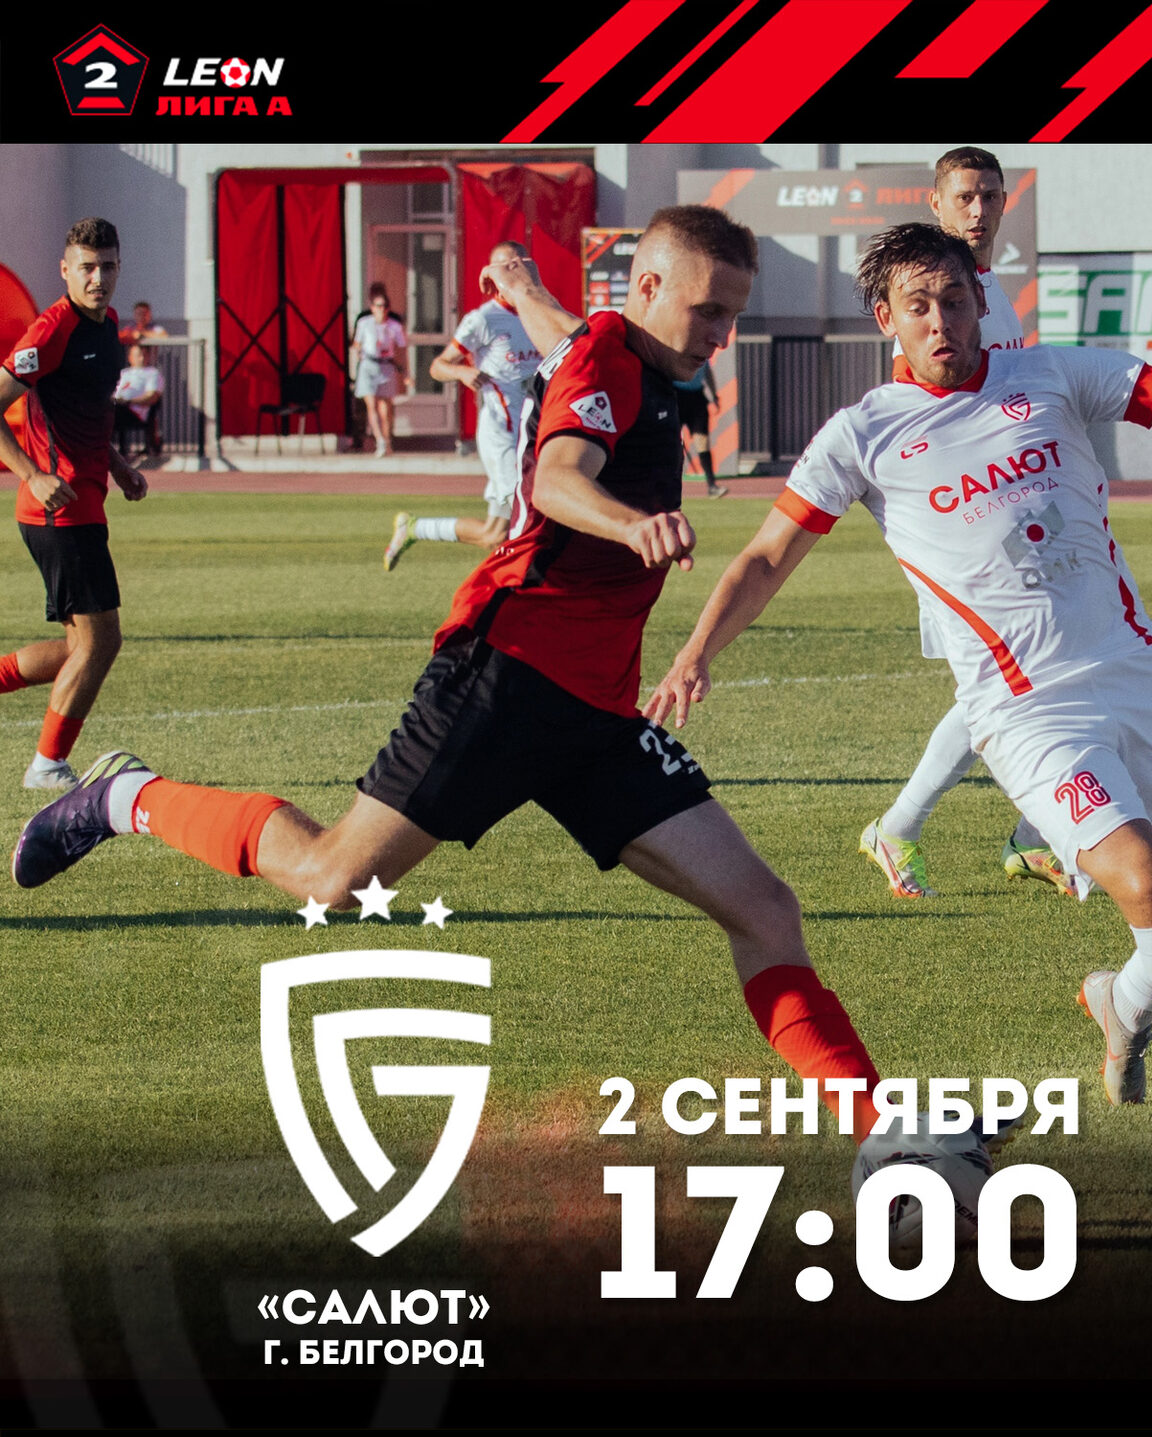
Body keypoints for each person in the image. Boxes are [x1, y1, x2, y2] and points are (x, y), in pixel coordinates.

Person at [13, 206, 902, 1208]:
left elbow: (572, 334)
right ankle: (124, 797)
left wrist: (520, 287)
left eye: (733, 314)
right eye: (708, 312)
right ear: (648, 289)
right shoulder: (609, 359)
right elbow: (556, 477)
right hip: (503, 680)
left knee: (765, 909)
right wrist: (631, 524)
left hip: (598, 716)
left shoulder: (630, 351)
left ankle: (888, 1141)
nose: (721, 336)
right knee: (331, 880)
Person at [645, 223, 1152, 1175]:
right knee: (1144, 880)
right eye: (918, 306)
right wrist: (696, 651)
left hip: (1138, 674)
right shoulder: (862, 435)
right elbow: (767, 556)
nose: (941, 321)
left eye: (955, 299)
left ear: (980, 300)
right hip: (1027, 713)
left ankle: (1122, 1002)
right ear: (886, 318)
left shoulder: (1052, 373)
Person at [857, 147, 1069, 903]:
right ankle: (902, 827)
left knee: (1047, 669)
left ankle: (1033, 835)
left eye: (991, 196)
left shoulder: (988, 288)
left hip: (1017, 516)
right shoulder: (932, 295)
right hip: (961, 529)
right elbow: (919, 407)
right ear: (937, 203)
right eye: (965, 197)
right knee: (1000, 687)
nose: (979, 210)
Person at [0, 216, 147, 793]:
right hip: (57, 510)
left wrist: (118, 466)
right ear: (65, 270)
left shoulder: (106, 325)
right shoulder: (50, 331)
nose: (98, 279)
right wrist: (33, 475)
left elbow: (87, 415)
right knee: (102, 642)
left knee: (78, 648)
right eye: (87, 268)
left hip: (86, 502)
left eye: (107, 267)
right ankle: (47, 766)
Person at [383, 241, 565, 570]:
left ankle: (414, 528)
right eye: (504, 268)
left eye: (517, 265)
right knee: (532, 515)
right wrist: (462, 372)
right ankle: (520, 587)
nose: (512, 274)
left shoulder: (540, 313)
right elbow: (437, 366)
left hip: (532, 434)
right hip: (501, 434)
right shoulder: (484, 319)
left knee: (494, 535)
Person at [350, 286, 409, 457]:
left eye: (384, 306)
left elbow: (402, 349)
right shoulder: (364, 322)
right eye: (377, 306)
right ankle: (379, 440)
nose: (381, 309)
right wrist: (360, 350)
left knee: (385, 408)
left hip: (386, 366)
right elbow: (356, 342)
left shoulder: (394, 325)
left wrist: (405, 372)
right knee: (371, 405)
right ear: (372, 307)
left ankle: (386, 440)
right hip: (369, 364)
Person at [675, 361, 726, 497]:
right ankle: (667, 487)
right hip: (676, 396)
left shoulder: (703, 353)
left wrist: (714, 395)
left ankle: (712, 486)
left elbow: (708, 372)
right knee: (672, 443)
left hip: (697, 397)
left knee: (702, 442)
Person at [112, 341, 163, 458]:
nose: (142, 358)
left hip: (135, 413)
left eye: (145, 355)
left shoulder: (153, 373)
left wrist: (129, 402)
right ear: (130, 357)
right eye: (138, 355)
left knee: (111, 413)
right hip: (117, 406)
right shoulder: (124, 373)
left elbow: (152, 397)